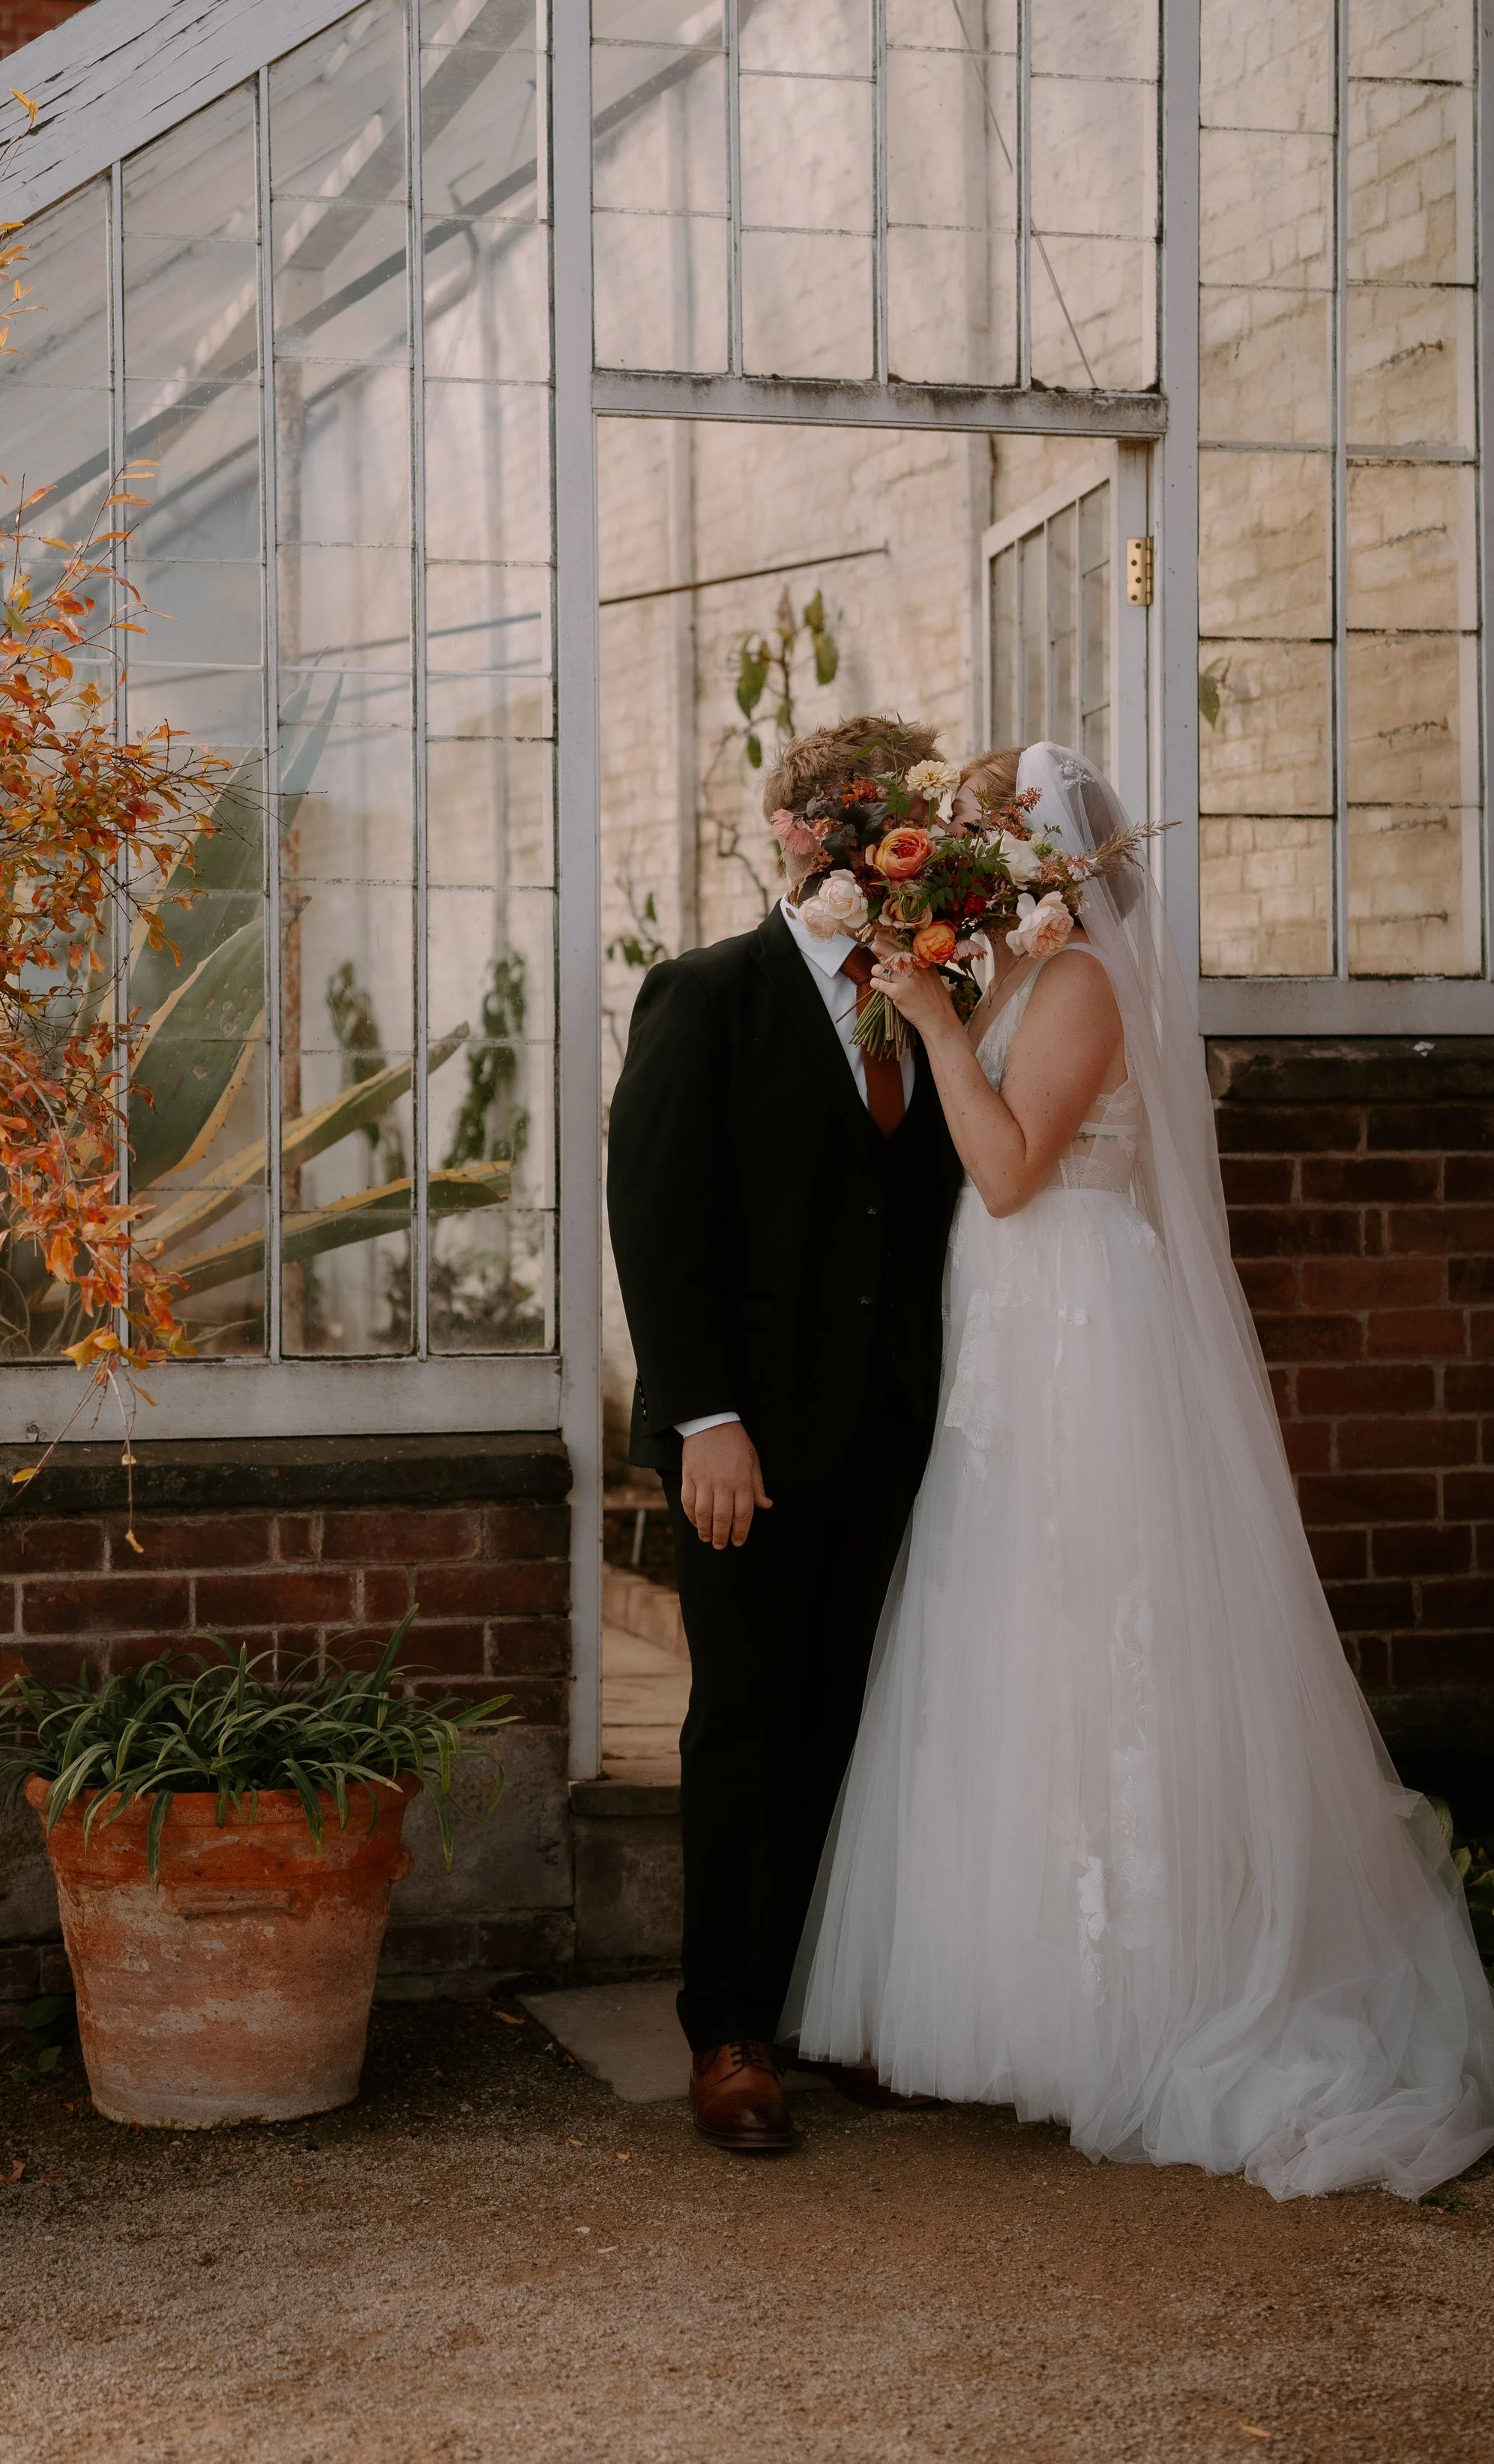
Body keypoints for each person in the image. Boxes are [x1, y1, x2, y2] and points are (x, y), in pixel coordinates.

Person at [785, 739, 1494, 2199]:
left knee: (1089, 1638)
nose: (967, 869)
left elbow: (1004, 1167)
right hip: (1004, 1324)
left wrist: (926, 1018)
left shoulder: (1086, 986)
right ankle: (1023, 1997)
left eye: (983, 843)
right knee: (1005, 1646)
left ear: (1040, 857)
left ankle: (1124, 1998)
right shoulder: (1024, 976)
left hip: (1070, 1328)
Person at [606, 715, 964, 2154]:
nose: (907, 868)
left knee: (858, 1725)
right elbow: (658, 1224)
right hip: (743, 1444)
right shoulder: (707, 996)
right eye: (884, 835)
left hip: (892, 1433)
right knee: (746, 1727)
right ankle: (732, 2033)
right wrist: (706, 1416)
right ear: (811, 839)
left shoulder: (933, 1000)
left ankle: (832, 2008)